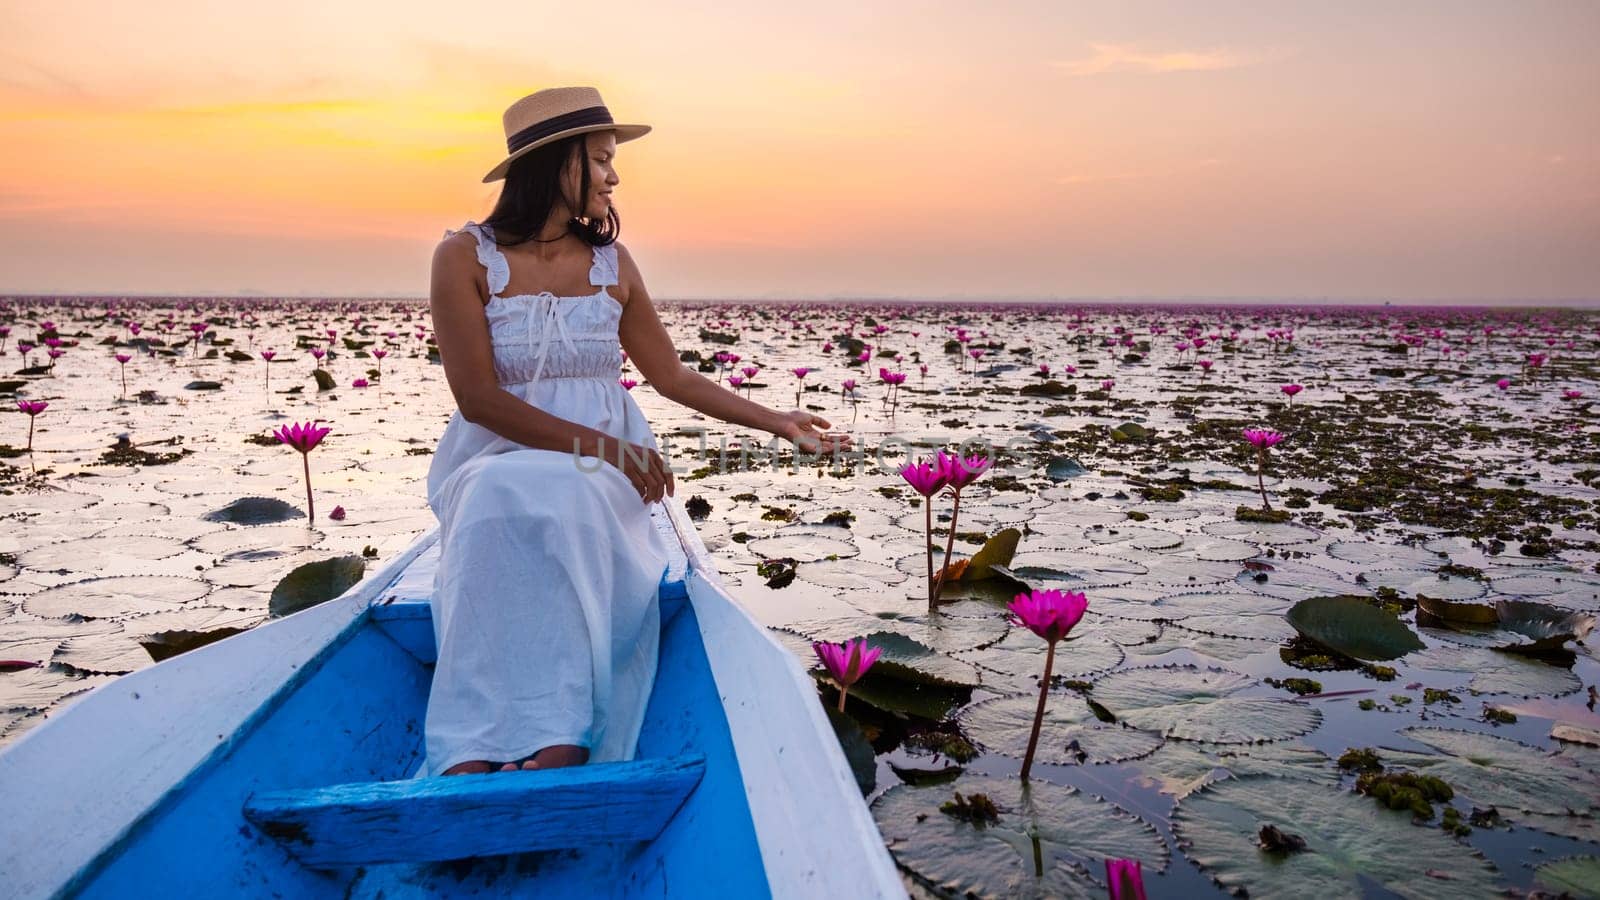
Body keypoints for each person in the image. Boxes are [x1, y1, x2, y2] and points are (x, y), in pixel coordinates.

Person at [423, 86, 852, 776]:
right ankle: (478, 739)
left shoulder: (612, 265)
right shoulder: (462, 258)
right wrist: (604, 448)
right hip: (503, 452)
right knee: (496, 497)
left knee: (567, 497)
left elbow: (672, 377)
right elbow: (476, 398)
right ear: (557, 164)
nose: (614, 176)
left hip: (604, 469)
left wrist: (778, 421)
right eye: (601, 160)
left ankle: (562, 729)